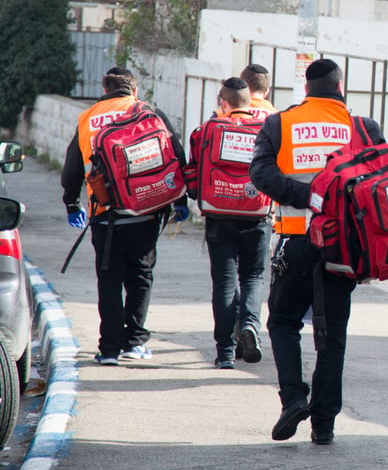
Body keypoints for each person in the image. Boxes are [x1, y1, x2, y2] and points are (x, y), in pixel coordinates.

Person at [249, 58, 385, 445]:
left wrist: (306, 195)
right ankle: (324, 424)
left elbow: (260, 173)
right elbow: (380, 178)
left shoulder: (281, 123)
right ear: (340, 88)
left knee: (282, 322)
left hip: (297, 238)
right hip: (344, 246)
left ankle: (293, 398)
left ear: (306, 90)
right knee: (332, 333)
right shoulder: (363, 127)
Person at [60, 67, 189, 366]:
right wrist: (180, 199)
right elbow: (176, 155)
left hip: (104, 213)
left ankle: (108, 349)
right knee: (141, 275)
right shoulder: (149, 112)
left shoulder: (88, 117)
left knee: (109, 279)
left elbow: (72, 167)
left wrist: (71, 203)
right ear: (135, 88)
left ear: (104, 88)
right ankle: (135, 343)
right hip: (145, 210)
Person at [184, 78, 272, 369]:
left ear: (223, 103)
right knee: (253, 276)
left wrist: (197, 196)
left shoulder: (208, 128)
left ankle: (225, 352)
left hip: (219, 216)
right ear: (249, 102)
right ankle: (249, 324)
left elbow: (192, 172)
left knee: (224, 281)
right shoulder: (268, 130)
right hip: (257, 215)